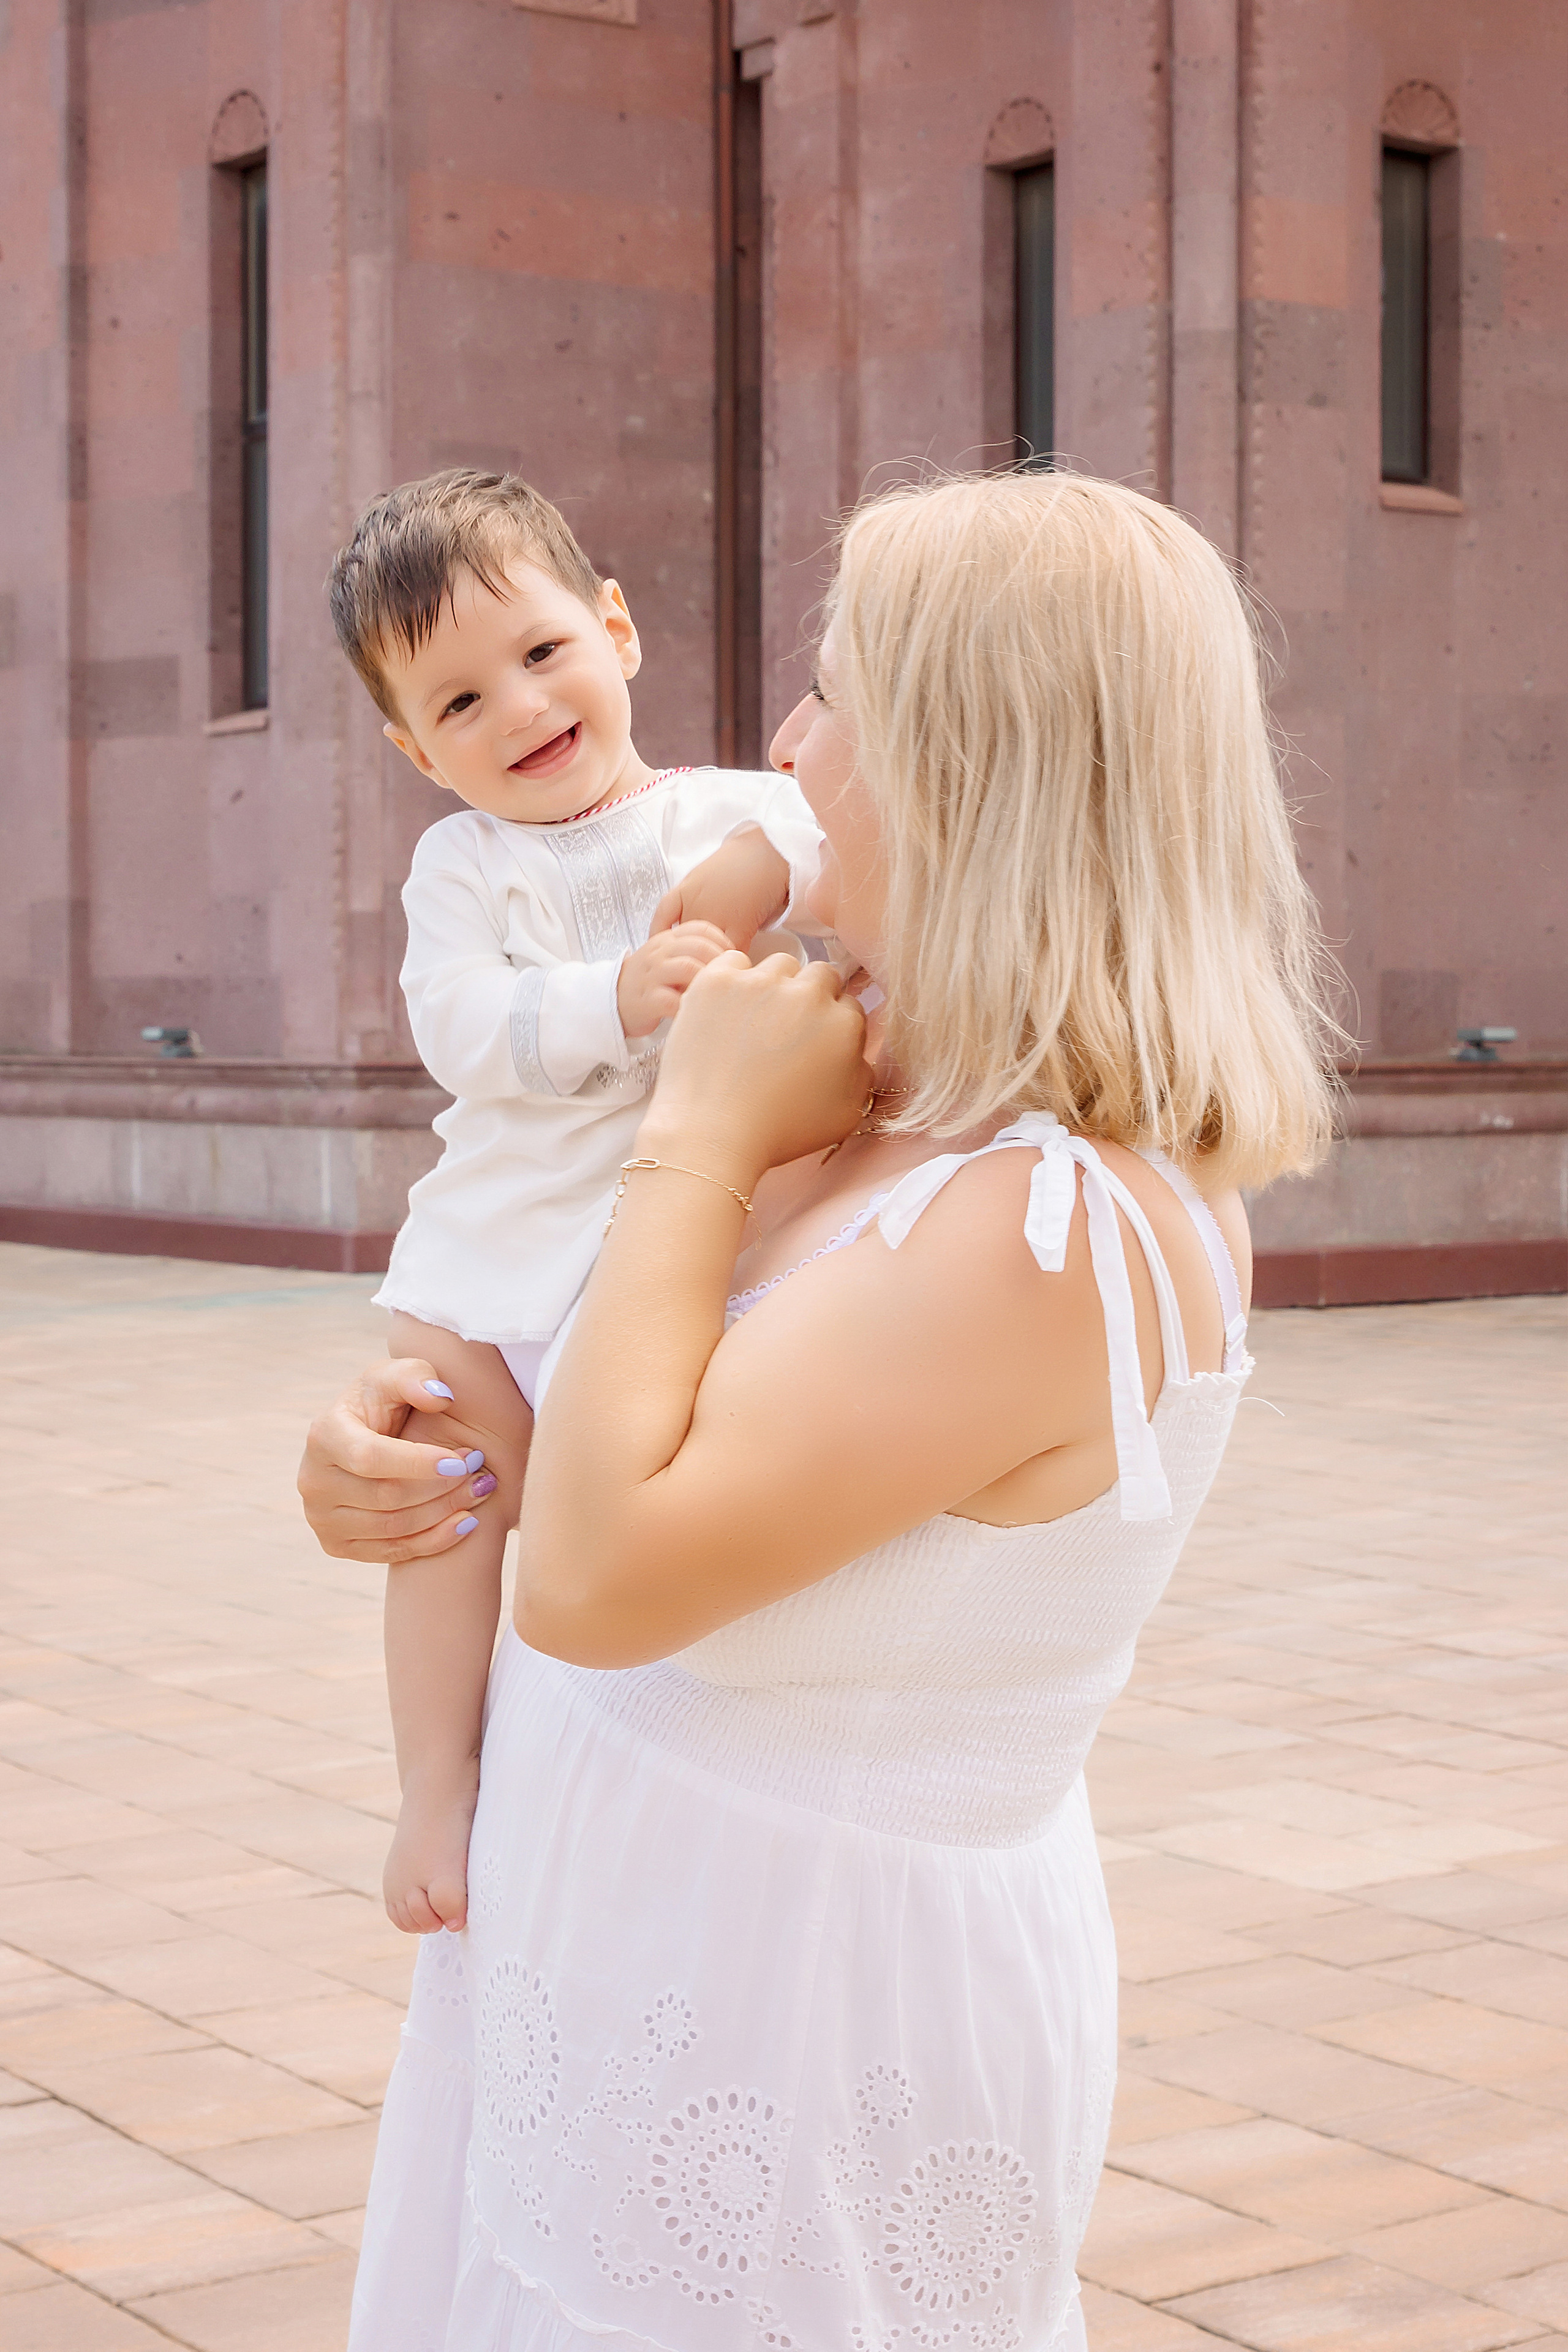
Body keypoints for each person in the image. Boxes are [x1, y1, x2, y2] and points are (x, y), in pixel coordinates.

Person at [300, 470, 1338, 2352]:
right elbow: (595, 1433)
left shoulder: (1052, 1220)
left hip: (789, 2029)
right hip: (602, 1953)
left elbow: (599, 1582)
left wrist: (697, 1134)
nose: (782, 744)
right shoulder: (868, 1090)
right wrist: (394, 1463)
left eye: (835, 696)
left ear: (967, 763)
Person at [326, 469, 828, 1935]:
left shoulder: (735, 807)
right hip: (506, 1238)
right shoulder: (460, 866)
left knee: (680, 1491)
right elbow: (456, 1024)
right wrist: (611, 995)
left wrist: (747, 874)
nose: (520, 710)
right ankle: (436, 1776)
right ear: (416, 751)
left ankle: (695, 1758)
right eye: (458, 702)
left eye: (541, 652)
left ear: (615, 629)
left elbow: (825, 842)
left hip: (684, 1243)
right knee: (446, 1492)